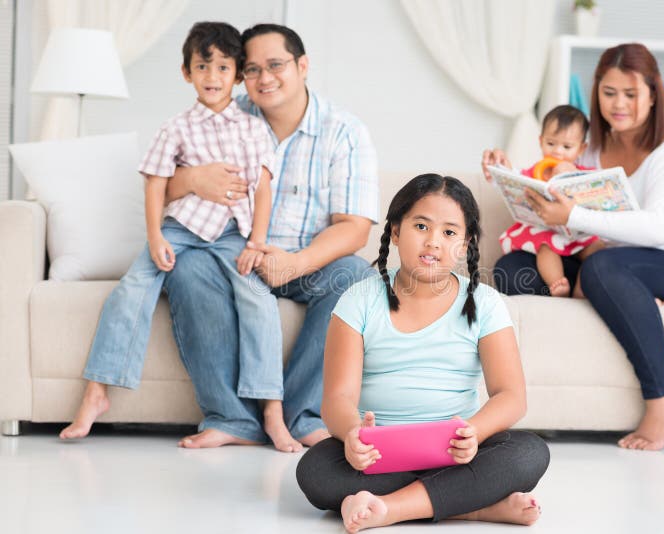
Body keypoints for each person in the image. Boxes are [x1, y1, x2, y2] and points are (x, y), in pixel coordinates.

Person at [60, 22, 300, 451]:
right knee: (130, 290)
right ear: (187, 73)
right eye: (202, 66)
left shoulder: (251, 128)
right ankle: (97, 393)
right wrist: (155, 237)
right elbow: (155, 185)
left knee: (258, 300)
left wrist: (256, 242)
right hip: (180, 229)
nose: (212, 76)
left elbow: (263, 187)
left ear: (237, 73)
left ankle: (272, 412)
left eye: (223, 67)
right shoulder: (176, 128)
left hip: (232, 233)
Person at [483, 43, 664, 451]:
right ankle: (627, 298)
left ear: (653, 94)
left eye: (630, 94)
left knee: (602, 270)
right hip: (601, 257)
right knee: (512, 269)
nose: (618, 104)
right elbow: (553, 184)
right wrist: (506, 172)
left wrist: (571, 217)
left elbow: (660, 229)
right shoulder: (591, 147)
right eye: (609, 93)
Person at [158, 23, 379, 449]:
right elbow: (159, 182)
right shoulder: (223, 114)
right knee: (186, 266)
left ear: (303, 65)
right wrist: (190, 179)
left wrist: (295, 262)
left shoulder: (345, 131)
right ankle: (232, 419)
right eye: (252, 69)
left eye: (275, 65)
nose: (264, 78)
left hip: (303, 262)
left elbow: (355, 228)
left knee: (354, 275)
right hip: (231, 254)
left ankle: (303, 415)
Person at [296, 174, 550, 533]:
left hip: (457, 453)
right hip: (380, 454)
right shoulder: (358, 300)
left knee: (529, 453)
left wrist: (474, 433)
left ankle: (389, 508)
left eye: (449, 233)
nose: (433, 241)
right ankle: (473, 507)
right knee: (315, 471)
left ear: (464, 245)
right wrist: (353, 435)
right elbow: (337, 397)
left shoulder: (485, 303)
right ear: (396, 232)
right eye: (421, 226)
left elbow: (511, 396)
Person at [494, 105, 603, 297]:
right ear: (540, 141)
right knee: (546, 248)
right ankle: (558, 283)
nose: (557, 152)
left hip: (577, 234)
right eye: (551, 144)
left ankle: (582, 286)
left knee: (598, 248)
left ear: (581, 149)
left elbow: (597, 190)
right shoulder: (533, 172)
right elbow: (513, 181)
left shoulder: (583, 173)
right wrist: (503, 169)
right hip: (547, 232)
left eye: (567, 147)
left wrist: (572, 175)